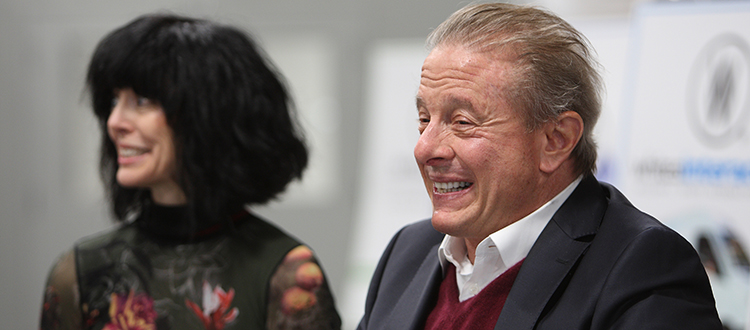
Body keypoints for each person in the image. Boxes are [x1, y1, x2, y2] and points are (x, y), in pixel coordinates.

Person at [358, 3, 723, 330]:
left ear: (556, 140)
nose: (425, 148)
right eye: (424, 119)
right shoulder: (407, 251)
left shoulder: (642, 268)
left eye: (462, 122)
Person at [39, 14, 341, 330]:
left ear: (208, 114)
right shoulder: (79, 273)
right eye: (114, 100)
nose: (115, 121)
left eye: (141, 101)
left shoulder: (287, 275)